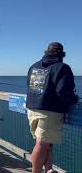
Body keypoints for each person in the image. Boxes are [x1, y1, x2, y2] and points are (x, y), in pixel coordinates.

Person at [26, 42, 79, 173]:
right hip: (50, 111)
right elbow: (63, 91)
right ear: (62, 54)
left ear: (46, 52)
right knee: (42, 144)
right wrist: (74, 99)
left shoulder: (34, 66)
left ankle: (48, 169)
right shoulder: (62, 67)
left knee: (46, 143)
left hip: (32, 109)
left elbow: (30, 86)